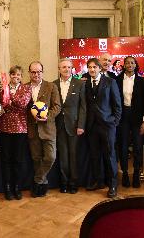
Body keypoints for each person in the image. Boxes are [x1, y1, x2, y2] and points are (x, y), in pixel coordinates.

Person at [83, 58, 121, 198]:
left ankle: (112, 185)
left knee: (110, 155)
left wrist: (114, 122)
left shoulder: (110, 82)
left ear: (100, 68)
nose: (92, 69)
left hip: (107, 125)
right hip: (92, 126)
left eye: (94, 67)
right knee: (95, 155)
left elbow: (117, 105)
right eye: (90, 67)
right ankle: (98, 181)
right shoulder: (86, 83)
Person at [0, 65, 32, 200]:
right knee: (5, 160)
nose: (15, 77)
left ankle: (17, 187)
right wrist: (4, 103)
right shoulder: (0, 89)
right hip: (3, 128)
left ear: (21, 77)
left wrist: (9, 99)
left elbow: (23, 103)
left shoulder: (26, 88)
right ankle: (7, 188)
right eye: (13, 74)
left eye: (18, 75)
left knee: (18, 160)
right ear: (10, 76)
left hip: (20, 129)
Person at [27, 61, 61, 197]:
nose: (36, 74)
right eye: (33, 72)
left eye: (39, 71)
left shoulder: (51, 86)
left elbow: (57, 107)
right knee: (36, 158)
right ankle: (42, 186)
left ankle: (37, 180)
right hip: (32, 130)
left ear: (42, 72)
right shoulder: (24, 88)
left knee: (50, 157)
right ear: (29, 73)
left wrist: (47, 116)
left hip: (48, 129)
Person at [53, 58, 86, 194]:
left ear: (72, 69)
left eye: (69, 67)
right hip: (59, 126)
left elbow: (83, 107)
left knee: (73, 156)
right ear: (59, 69)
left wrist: (81, 125)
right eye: (63, 67)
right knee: (63, 156)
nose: (66, 69)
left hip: (74, 126)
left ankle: (73, 183)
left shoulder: (79, 84)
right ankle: (64, 183)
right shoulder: (53, 84)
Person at [115, 56, 144, 188]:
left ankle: (136, 173)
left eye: (132, 63)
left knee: (138, 147)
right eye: (127, 63)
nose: (130, 65)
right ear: (124, 65)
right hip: (122, 118)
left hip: (137, 118)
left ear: (136, 65)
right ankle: (124, 173)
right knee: (123, 147)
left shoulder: (141, 81)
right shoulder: (117, 80)